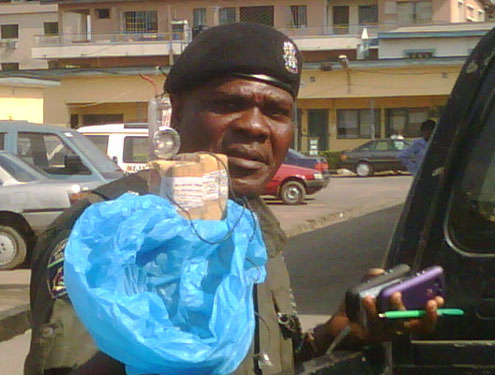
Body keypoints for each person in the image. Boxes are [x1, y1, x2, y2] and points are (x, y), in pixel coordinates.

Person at [24, 23, 443, 375]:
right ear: (177, 110)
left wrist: (339, 331)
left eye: (277, 112)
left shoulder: (251, 222)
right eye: (230, 104)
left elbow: (261, 360)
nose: (256, 127)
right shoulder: (107, 231)